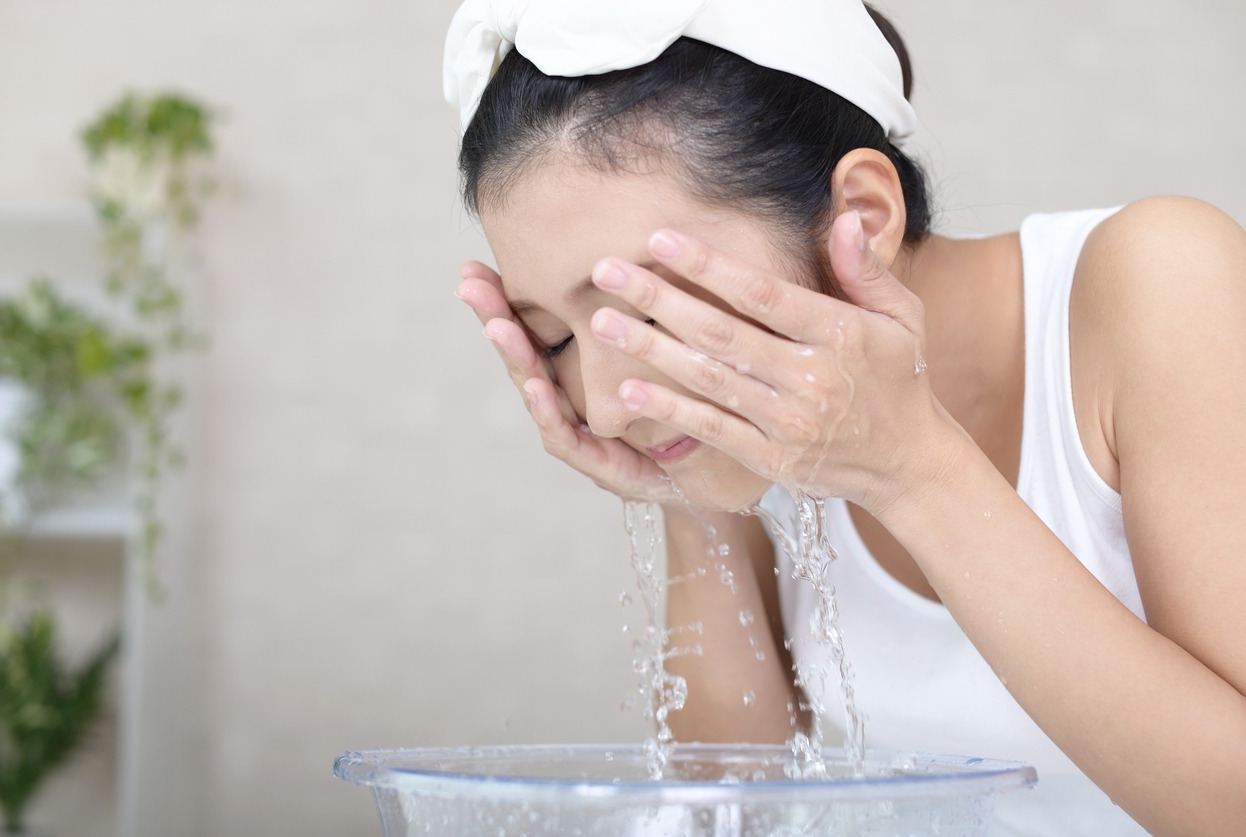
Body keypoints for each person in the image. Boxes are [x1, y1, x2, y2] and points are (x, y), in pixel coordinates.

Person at [443, 1, 1246, 834]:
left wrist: (912, 469)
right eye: (556, 338)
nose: (605, 406)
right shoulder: (760, 428)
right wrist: (684, 490)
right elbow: (732, 812)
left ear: (861, 216)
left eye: (645, 315)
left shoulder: (1160, 283)